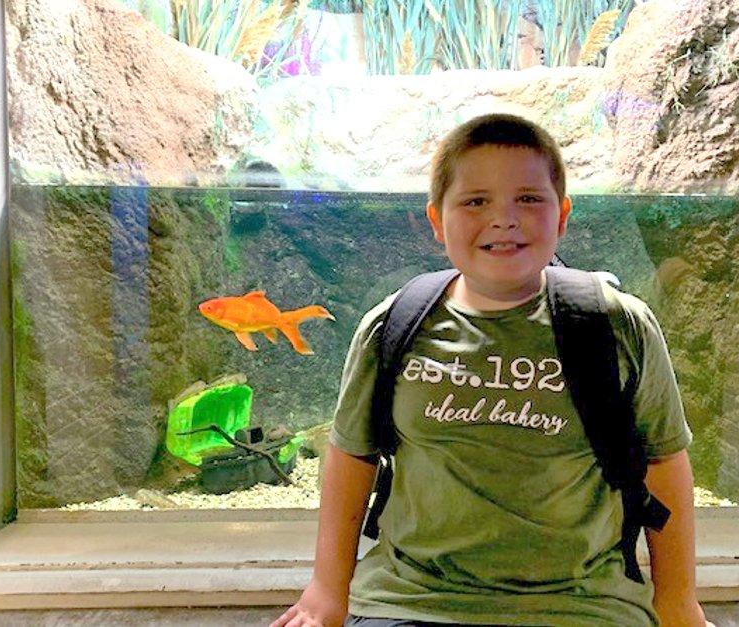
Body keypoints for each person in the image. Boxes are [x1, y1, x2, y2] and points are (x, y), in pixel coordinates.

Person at [272, 113, 712, 627]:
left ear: (562, 215)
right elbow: (352, 455)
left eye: (528, 198)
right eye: (476, 201)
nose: (503, 218)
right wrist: (328, 589)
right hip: (409, 599)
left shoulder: (619, 325)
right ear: (436, 220)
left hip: (583, 603)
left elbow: (663, 464)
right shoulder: (394, 325)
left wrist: (679, 602)